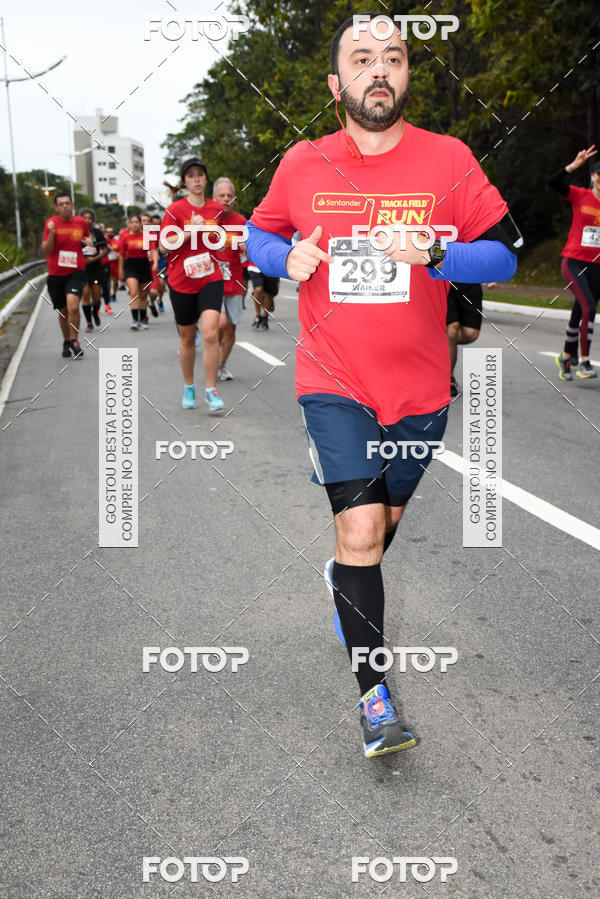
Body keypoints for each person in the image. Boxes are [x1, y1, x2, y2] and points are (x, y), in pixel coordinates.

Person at [246, 13, 522, 759]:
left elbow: (505, 253)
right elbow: (257, 234)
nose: (379, 70)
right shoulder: (302, 162)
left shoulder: (448, 158)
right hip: (333, 379)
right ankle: (376, 701)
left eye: (393, 58)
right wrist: (282, 258)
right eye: (362, 59)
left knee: (379, 527)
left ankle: (345, 575)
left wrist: (435, 251)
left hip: (422, 389)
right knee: (363, 530)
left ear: (405, 76)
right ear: (336, 83)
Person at [159, 157, 225, 411]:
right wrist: (190, 231)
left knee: (210, 332)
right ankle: (189, 386)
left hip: (210, 276)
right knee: (187, 338)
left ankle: (211, 390)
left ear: (206, 179)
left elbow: (219, 243)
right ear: (185, 182)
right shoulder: (175, 210)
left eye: (200, 174)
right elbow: (164, 246)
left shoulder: (215, 209)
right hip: (181, 280)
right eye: (191, 175)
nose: (196, 179)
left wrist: (220, 239)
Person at [550, 146, 600, 380]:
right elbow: (553, 183)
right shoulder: (580, 195)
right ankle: (585, 362)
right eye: (599, 176)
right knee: (589, 307)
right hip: (574, 262)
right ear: (593, 177)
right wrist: (572, 166)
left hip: (597, 266)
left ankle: (566, 357)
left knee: (580, 309)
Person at [41, 191, 91, 358]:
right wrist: (52, 234)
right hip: (56, 273)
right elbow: (46, 250)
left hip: (76, 271)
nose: (65, 206)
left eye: (67, 203)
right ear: (56, 207)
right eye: (61, 204)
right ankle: (66, 340)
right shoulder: (51, 223)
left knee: (73, 306)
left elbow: (88, 239)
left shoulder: (81, 222)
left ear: (72, 205)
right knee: (63, 312)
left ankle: (75, 340)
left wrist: (89, 242)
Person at [212, 177, 249, 379]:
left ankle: (221, 365)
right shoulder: (207, 221)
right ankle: (212, 357)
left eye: (229, 195)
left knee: (231, 328)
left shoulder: (241, 222)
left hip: (234, 281)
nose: (226, 199)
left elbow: (248, 253)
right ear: (214, 198)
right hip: (212, 280)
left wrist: (246, 248)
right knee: (220, 324)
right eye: (221, 195)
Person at [446, 282, 483, 396]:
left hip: (471, 282)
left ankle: (436, 341)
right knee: (452, 331)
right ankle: (448, 379)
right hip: (447, 282)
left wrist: (492, 276)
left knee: (470, 334)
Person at [118, 214, 152, 330]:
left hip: (144, 265)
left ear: (140, 223)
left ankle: (143, 318)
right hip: (130, 265)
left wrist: (155, 262)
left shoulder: (146, 236)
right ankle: (135, 320)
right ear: (129, 224)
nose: (135, 224)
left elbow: (153, 250)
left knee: (143, 295)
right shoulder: (125, 237)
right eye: (132, 222)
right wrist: (120, 270)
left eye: (137, 222)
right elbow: (121, 255)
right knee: (133, 292)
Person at [79, 208, 108, 332]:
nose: (87, 220)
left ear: (93, 220)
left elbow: (105, 250)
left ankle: (95, 312)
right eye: (84, 218)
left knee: (96, 298)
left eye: (90, 218)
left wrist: (94, 258)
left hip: (96, 268)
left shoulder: (97, 233)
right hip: (81, 269)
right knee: (85, 294)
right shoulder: (77, 233)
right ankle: (89, 323)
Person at [248, 263, 279, 330]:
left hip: (271, 268)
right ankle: (258, 315)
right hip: (255, 267)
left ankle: (265, 316)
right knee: (258, 289)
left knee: (269, 294)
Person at [104, 226, 120, 307]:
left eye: (111, 232)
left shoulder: (117, 241)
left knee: (115, 280)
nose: (109, 233)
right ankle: (109, 295)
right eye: (107, 232)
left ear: (113, 233)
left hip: (116, 262)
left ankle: (114, 294)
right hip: (107, 262)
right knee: (108, 280)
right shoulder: (104, 241)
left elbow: (120, 251)